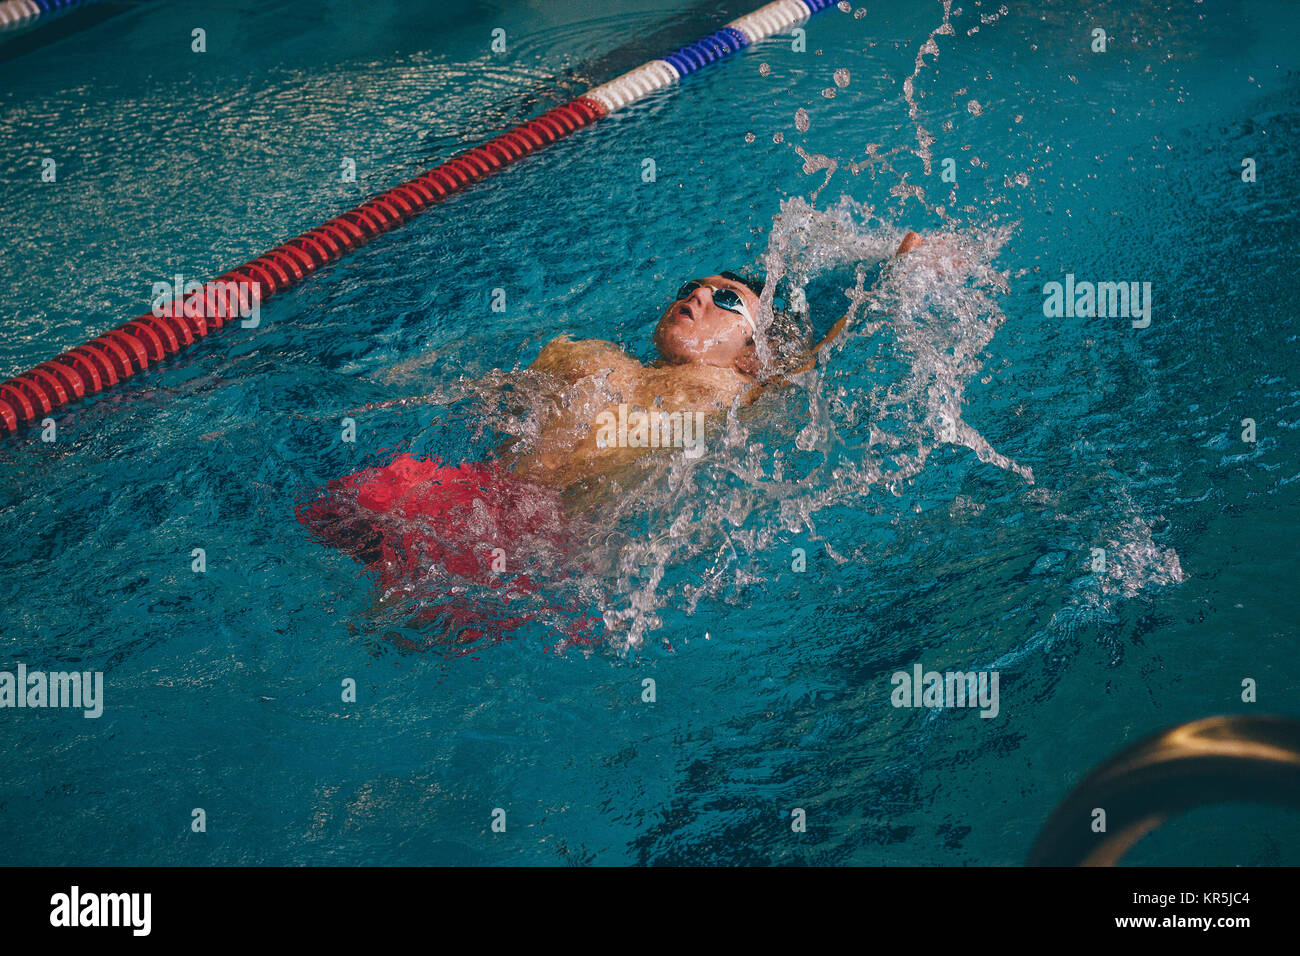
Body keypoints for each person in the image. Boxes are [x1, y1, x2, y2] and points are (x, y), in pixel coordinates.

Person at [297, 231, 925, 619]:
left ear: (755, 348)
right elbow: (490, 401)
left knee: (387, 628)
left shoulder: (739, 389)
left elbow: (824, 358)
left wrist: (900, 272)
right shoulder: (591, 355)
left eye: (728, 300)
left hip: (544, 546)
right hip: (470, 490)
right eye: (694, 286)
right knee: (317, 522)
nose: (700, 297)